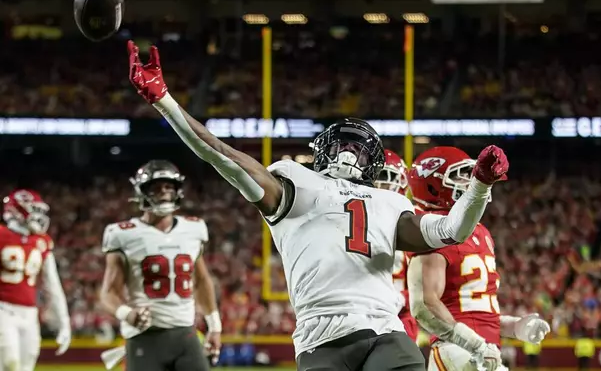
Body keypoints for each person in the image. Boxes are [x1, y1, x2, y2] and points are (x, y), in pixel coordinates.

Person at [127, 41, 509, 371]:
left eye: (359, 149)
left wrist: (480, 185)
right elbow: (221, 155)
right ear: (323, 151)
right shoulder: (295, 182)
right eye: (344, 144)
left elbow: (451, 231)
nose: (349, 153)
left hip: (384, 330)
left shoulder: (388, 202)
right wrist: (165, 101)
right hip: (322, 334)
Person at [406, 146, 550, 371]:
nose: (468, 180)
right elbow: (425, 304)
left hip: (480, 351)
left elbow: (475, 312)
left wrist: (516, 327)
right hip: (457, 350)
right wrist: (474, 344)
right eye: (460, 174)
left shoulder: (480, 232)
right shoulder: (431, 230)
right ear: (433, 183)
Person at [99, 160, 221, 371]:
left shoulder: (193, 228)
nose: (164, 193)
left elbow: (201, 281)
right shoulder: (123, 234)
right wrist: (126, 313)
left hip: (186, 334)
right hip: (145, 337)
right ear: (142, 193)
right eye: (156, 188)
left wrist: (215, 326)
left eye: (168, 187)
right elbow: (108, 293)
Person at [0, 189, 71, 371]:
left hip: (29, 313)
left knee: (26, 366)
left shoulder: (42, 241)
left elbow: (52, 284)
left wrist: (64, 322)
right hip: (3, 309)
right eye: (34, 209)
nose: (38, 216)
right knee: (9, 363)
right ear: (17, 211)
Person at [374, 149, 419, 342]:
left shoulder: (414, 221)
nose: (378, 184)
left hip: (399, 315)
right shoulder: (349, 215)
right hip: (357, 310)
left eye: (386, 177)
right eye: (374, 177)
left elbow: (427, 286)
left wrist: (402, 298)